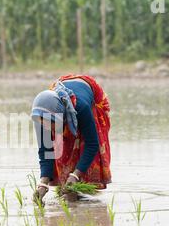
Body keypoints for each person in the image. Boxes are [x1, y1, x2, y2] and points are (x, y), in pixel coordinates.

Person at [31, 74, 112, 202]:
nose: (48, 128)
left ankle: (79, 185)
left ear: (59, 117)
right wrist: (43, 183)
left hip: (89, 95)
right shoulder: (41, 115)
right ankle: (69, 187)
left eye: (51, 124)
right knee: (62, 147)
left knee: (86, 142)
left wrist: (75, 175)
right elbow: (45, 151)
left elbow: (92, 144)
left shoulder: (82, 107)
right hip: (59, 95)